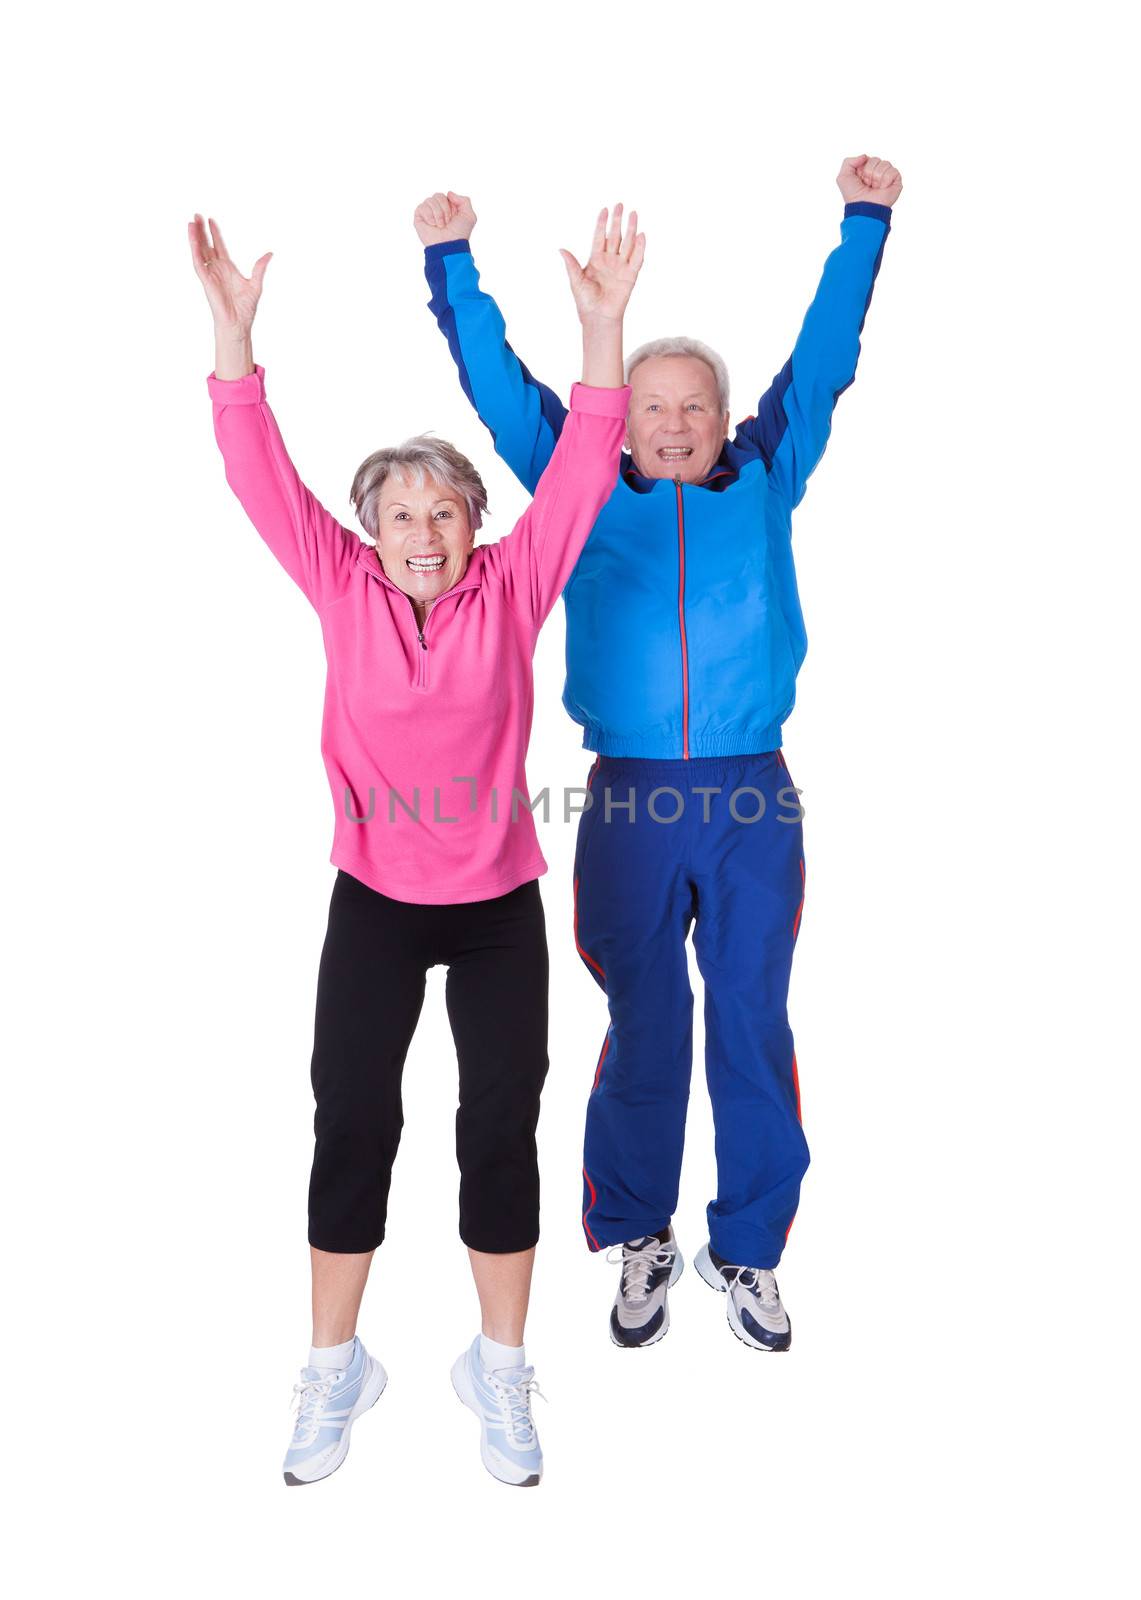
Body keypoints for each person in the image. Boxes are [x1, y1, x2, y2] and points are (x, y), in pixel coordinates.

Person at [415, 155, 901, 1353]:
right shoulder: (580, 488)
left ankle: (748, 1246)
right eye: (650, 406)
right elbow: (499, 390)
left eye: (694, 404)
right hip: (628, 798)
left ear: (724, 418)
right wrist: (452, 266)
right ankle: (638, 1228)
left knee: (748, 1014)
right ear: (618, 423)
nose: (674, 422)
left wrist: (863, 225)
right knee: (644, 1022)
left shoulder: (765, 473)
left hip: (750, 796)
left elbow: (825, 359)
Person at [189, 204, 641, 1484]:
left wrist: (601, 330)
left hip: (497, 899)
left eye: (446, 511)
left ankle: (499, 1371)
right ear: (371, 530)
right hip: (377, 900)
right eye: (402, 515)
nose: (426, 533)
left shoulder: (515, 581)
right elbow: (253, 468)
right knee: (353, 1121)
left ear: (473, 523)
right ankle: (335, 1367)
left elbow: (587, 460)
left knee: (500, 1128)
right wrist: (234, 336)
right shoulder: (338, 583)